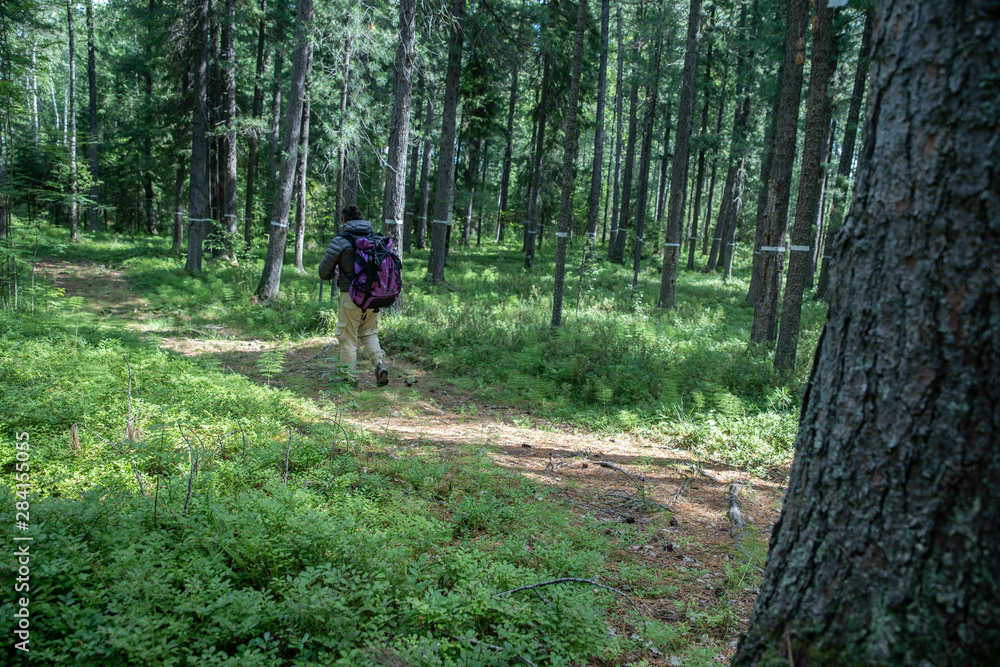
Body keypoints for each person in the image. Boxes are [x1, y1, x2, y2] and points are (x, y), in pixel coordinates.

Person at [318, 205, 389, 387]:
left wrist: (337, 272)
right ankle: (379, 365)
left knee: (347, 337)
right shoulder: (375, 239)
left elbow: (323, 272)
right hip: (374, 297)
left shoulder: (340, 241)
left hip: (350, 297)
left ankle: (348, 380)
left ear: (344, 221)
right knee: (369, 332)